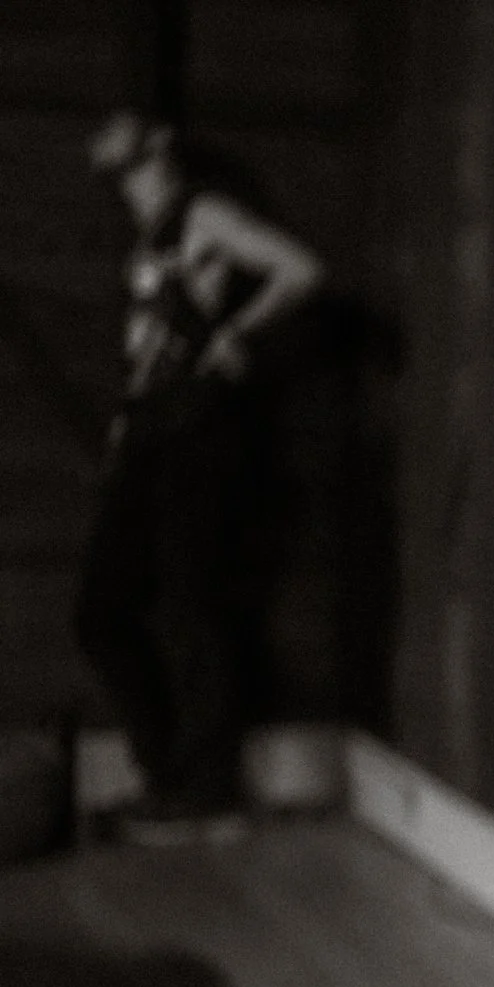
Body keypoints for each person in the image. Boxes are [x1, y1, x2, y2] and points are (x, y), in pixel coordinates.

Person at [76, 111, 324, 841]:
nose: (104, 133)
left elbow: (302, 270)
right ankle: (168, 775)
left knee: (189, 606)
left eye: (121, 126)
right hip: (150, 435)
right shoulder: (147, 234)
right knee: (101, 610)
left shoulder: (203, 212)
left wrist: (235, 334)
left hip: (199, 437)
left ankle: (208, 791)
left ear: (155, 141)